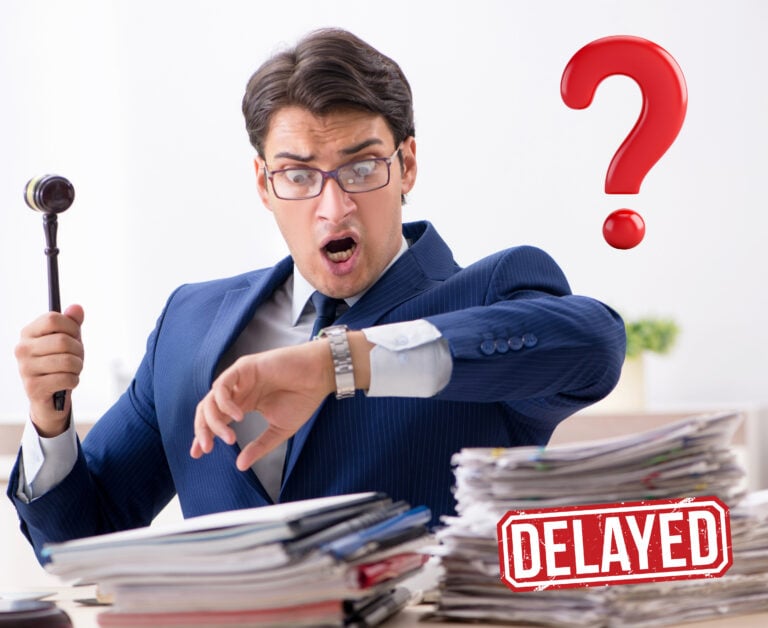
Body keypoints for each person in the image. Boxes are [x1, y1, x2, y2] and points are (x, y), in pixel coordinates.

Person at [9, 28, 626, 563]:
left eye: (361, 168)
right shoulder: (189, 324)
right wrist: (49, 418)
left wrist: (336, 364)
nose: (334, 208)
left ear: (406, 165)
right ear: (264, 182)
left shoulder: (488, 296)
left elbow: (593, 345)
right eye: (299, 175)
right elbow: (82, 539)